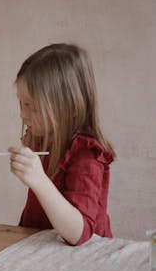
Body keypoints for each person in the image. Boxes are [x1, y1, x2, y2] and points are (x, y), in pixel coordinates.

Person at [8, 43, 115, 246]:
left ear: (71, 108)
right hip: (43, 251)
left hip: (84, 259)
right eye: (21, 103)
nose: (23, 114)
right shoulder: (44, 138)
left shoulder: (87, 155)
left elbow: (78, 233)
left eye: (33, 107)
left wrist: (39, 180)